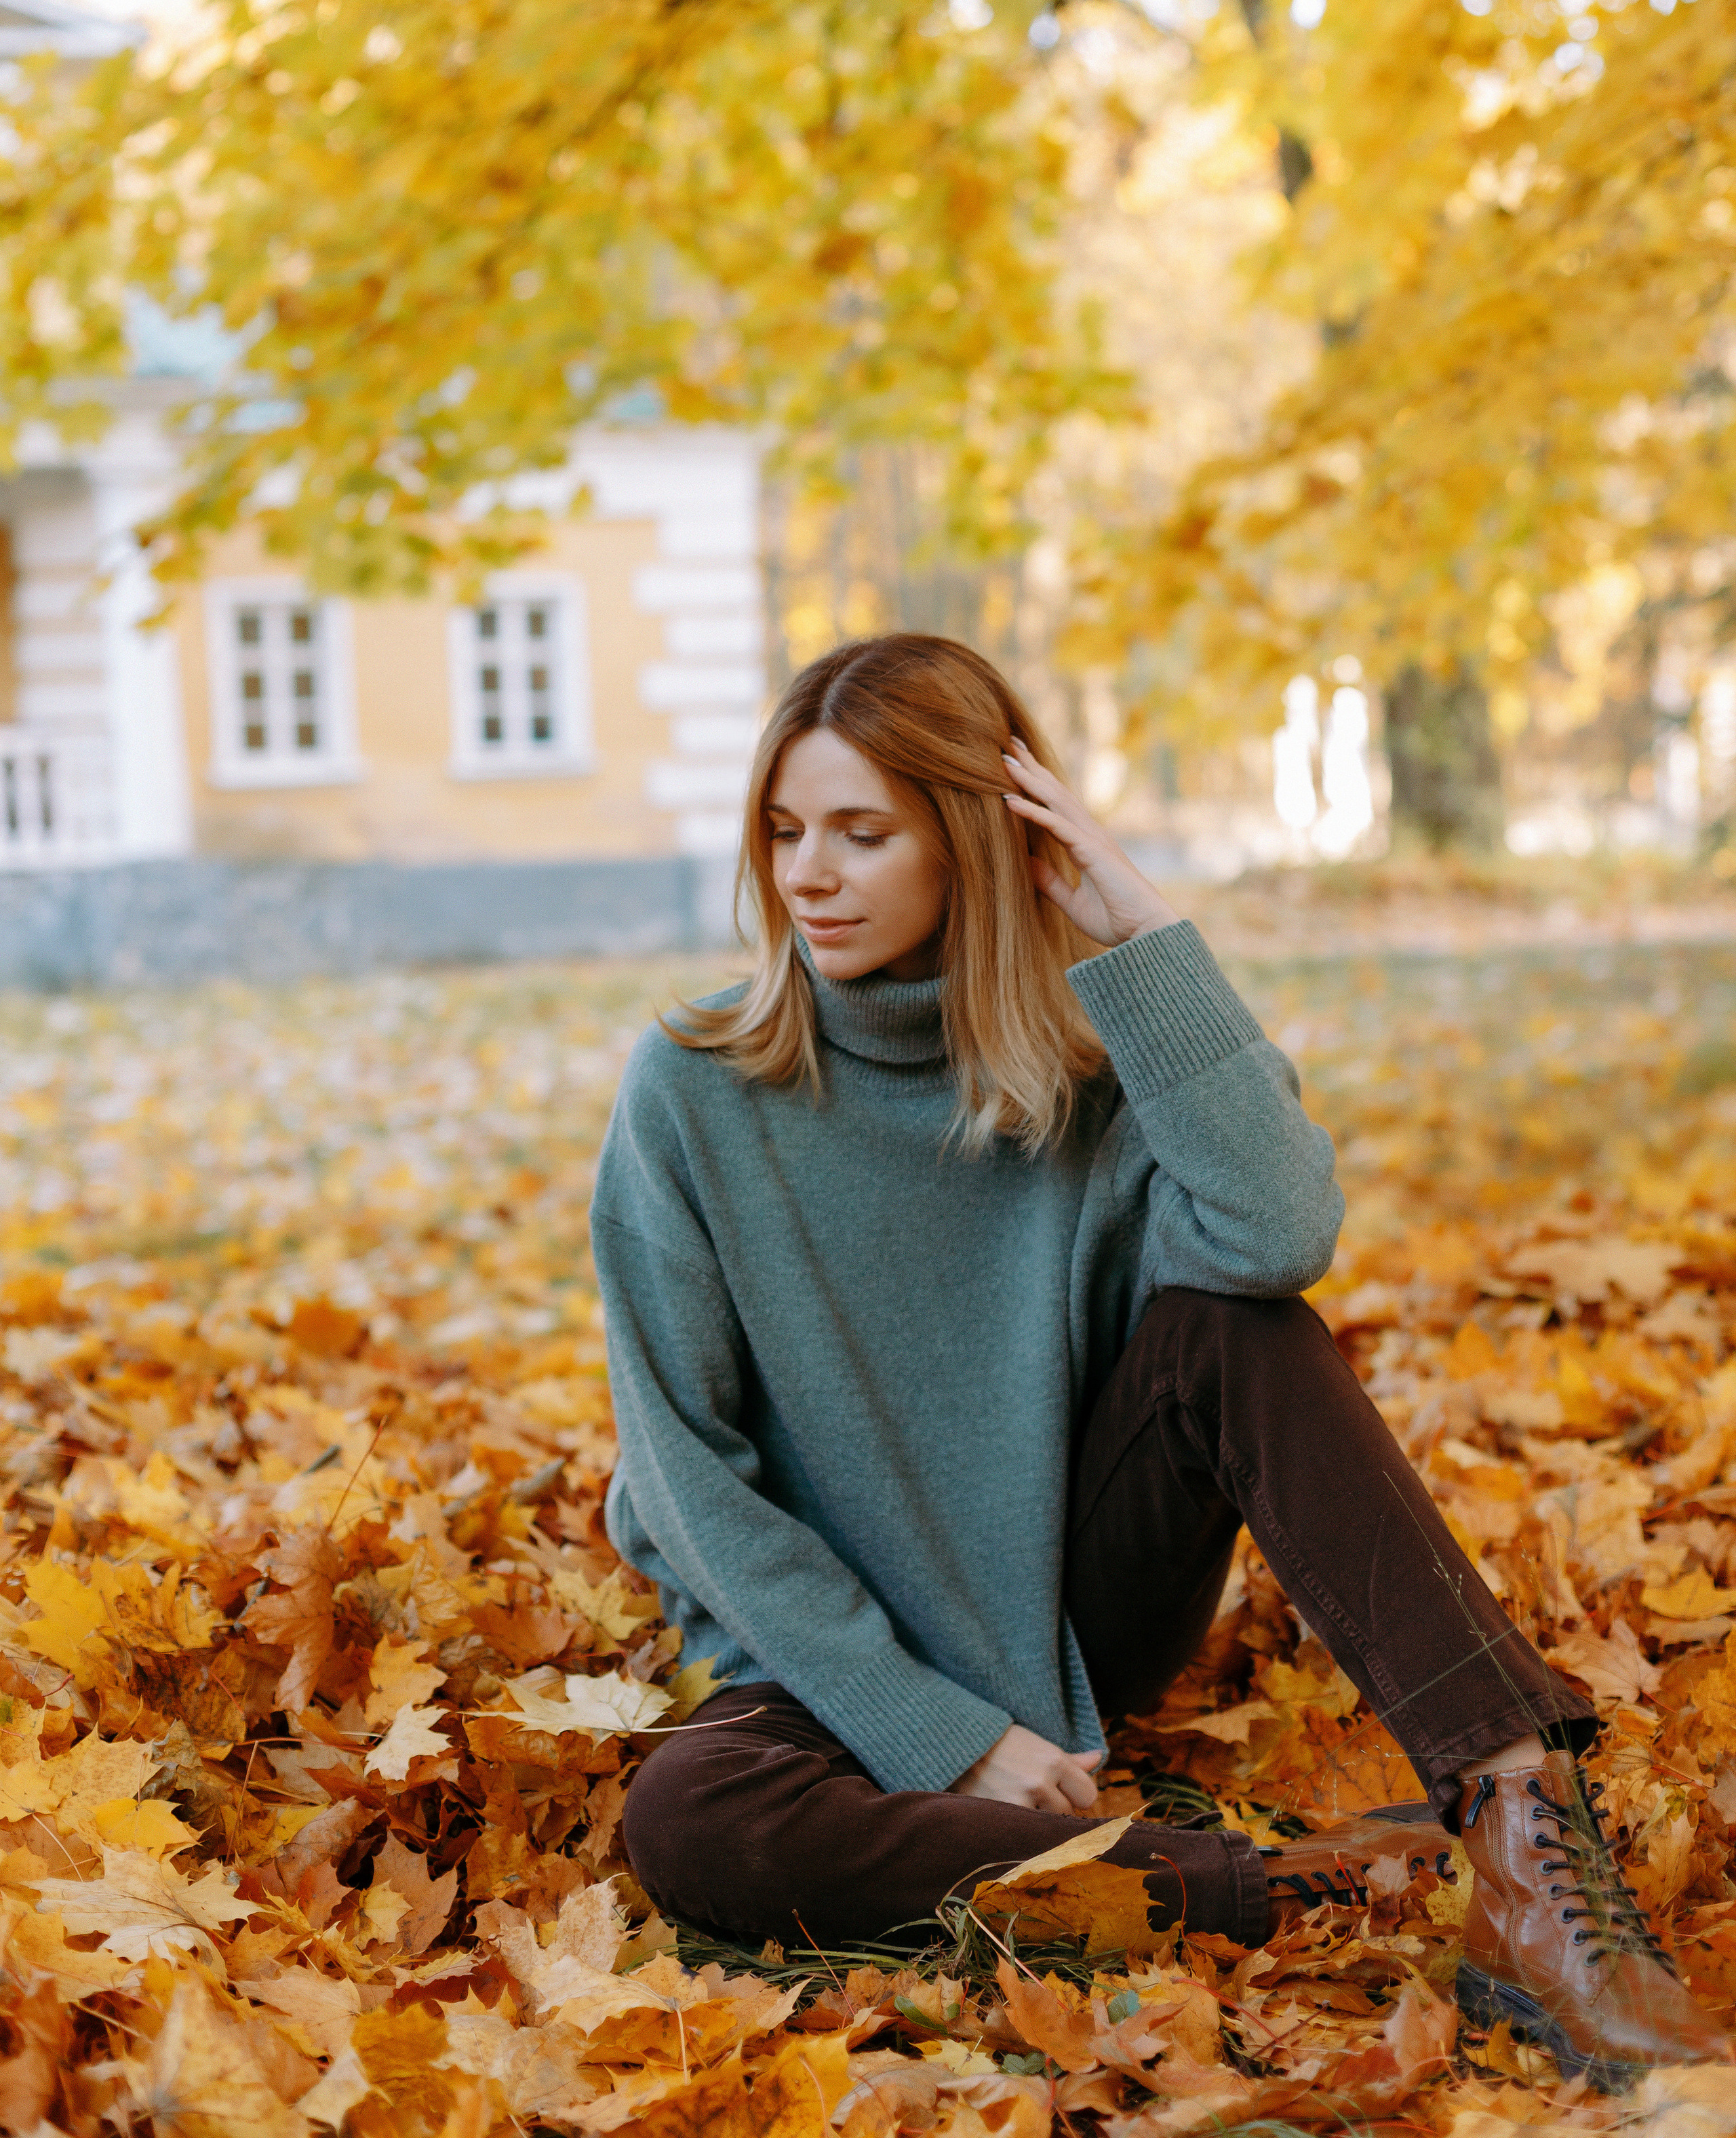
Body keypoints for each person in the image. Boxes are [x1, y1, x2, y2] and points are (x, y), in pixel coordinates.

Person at [591, 634, 1727, 2088]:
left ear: (978, 841)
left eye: (860, 833)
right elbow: (687, 1480)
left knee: (1232, 1325)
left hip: (1059, 1602)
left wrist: (1145, 938)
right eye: (784, 830)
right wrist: (938, 1735)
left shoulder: (1083, 1070)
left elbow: (1275, 1234)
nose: (806, 873)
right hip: (824, 1658)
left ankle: (1527, 1851)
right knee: (696, 1823)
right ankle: (1261, 1887)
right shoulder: (694, 1085)